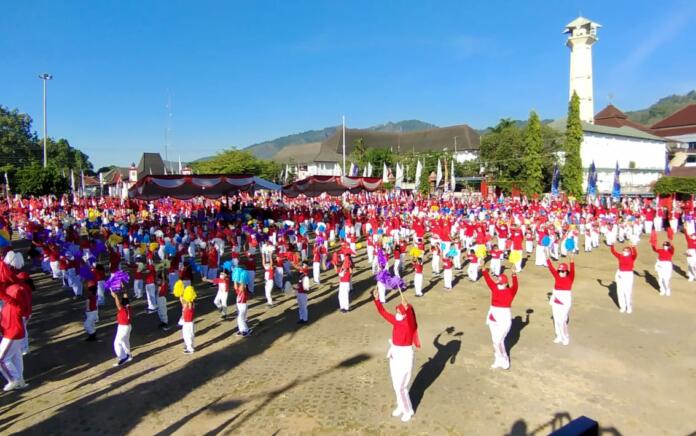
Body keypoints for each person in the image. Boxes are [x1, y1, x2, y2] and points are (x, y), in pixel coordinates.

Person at [372, 288, 420, 423]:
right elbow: (383, 312)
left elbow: (412, 318)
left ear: (405, 313)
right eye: (397, 310)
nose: (397, 312)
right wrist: (376, 300)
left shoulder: (409, 324)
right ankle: (401, 405)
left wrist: (408, 307)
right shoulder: (396, 320)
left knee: (401, 386)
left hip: (405, 355)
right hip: (395, 353)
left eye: (400, 311)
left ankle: (408, 410)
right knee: (395, 383)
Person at [482, 269, 518, 370]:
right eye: (498, 282)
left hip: (504, 317)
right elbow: (488, 280)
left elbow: (515, 286)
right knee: (495, 341)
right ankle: (498, 359)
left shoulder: (510, 291)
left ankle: (505, 359)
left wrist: (514, 275)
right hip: (493, 315)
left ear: (506, 283)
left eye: (501, 283)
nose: (498, 284)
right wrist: (483, 269)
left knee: (498, 341)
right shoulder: (494, 288)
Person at [0, 282, 29, 391]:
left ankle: (13, 380)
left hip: (13, 334)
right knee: (16, 358)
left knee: (2, 359)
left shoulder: (17, 305)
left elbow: (7, 298)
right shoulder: (10, 304)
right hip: (12, 333)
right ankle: (20, 381)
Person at [546, 254, 575, 345]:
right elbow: (551, 268)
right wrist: (547, 256)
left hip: (565, 302)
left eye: (563, 271)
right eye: (559, 271)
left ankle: (565, 337)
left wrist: (571, 260)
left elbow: (573, 270)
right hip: (556, 301)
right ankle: (558, 336)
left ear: (566, 271)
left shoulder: (570, 278)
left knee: (562, 320)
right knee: (556, 319)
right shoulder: (557, 276)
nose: (561, 272)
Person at [610, 244, 637, 313]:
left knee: (627, 291)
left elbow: (635, 254)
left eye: (627, 250)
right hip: (621, 274)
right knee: (620, 291)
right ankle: (622, 307)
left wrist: (633, 247)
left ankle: (629, 307)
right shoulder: (620, 256)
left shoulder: (632, 257)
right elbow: (613, 252)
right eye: (624, 250)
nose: (625, 251)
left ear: (629, 252)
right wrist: (612, 245)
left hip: (628, 275)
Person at [112, 291, 133, 366]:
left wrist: (115, 296)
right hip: (128, 326)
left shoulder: (122, 309)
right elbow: (126, 297)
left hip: (123, 327)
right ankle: (128, 355)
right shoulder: (128, 307)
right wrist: (123, 288)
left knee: (117, 343)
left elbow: (118, 305)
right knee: (126, 341)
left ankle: (123, 357)